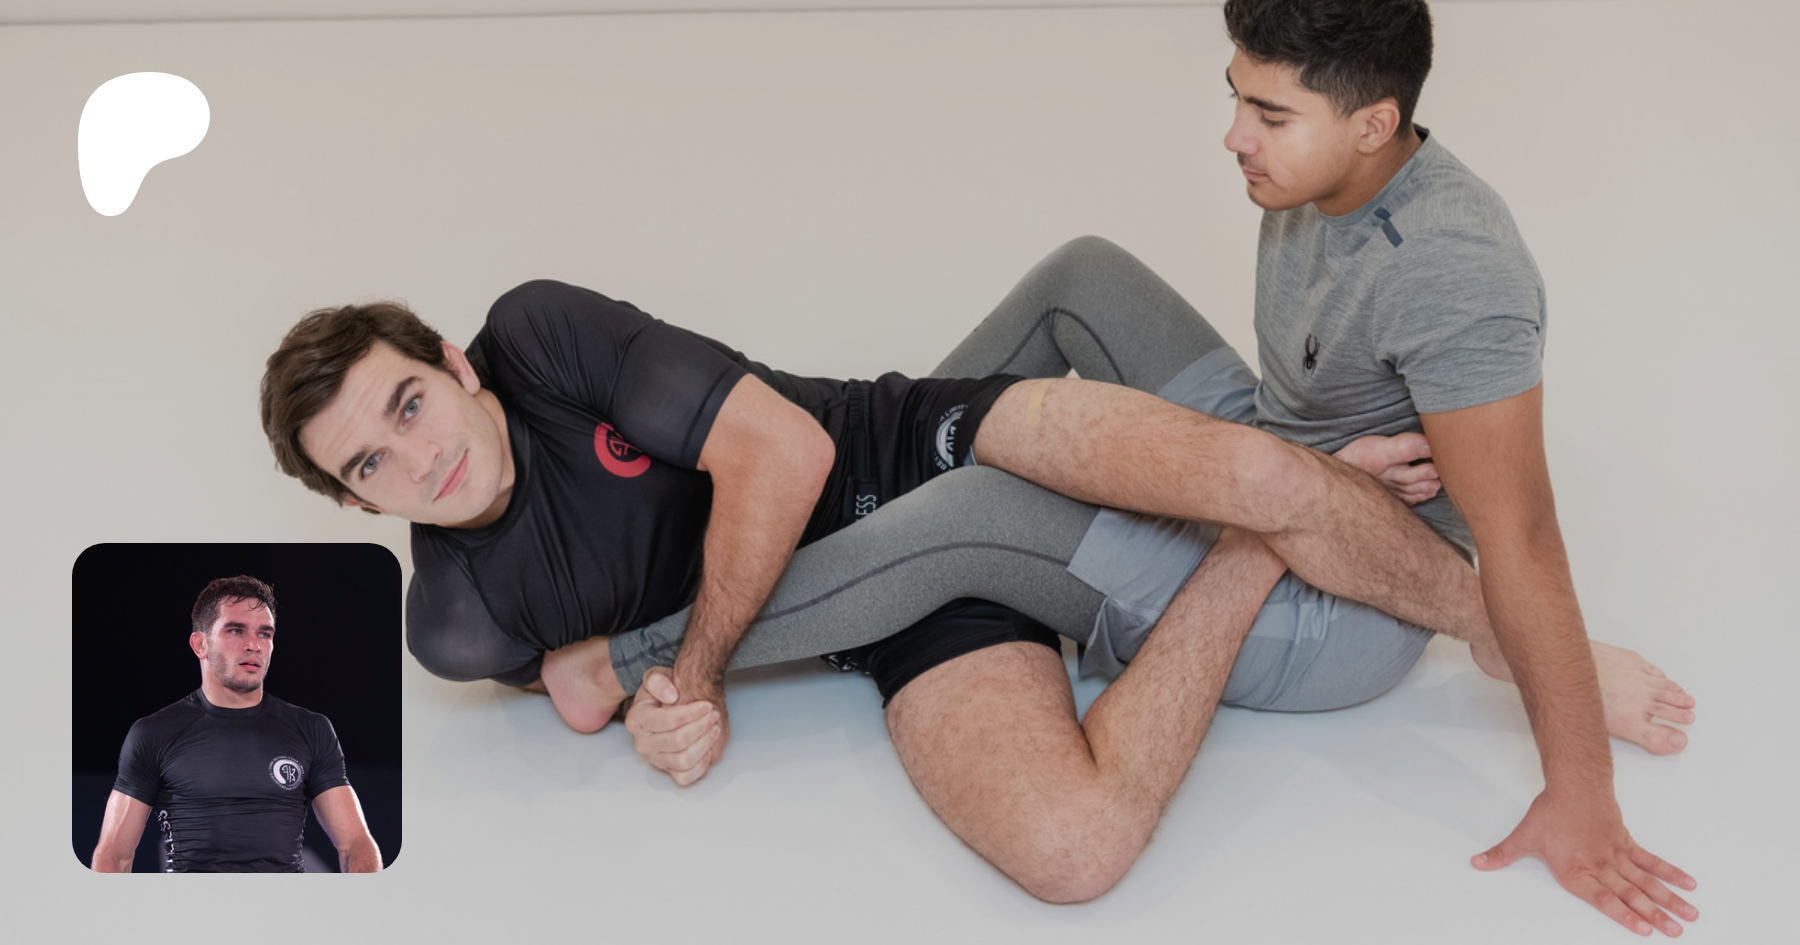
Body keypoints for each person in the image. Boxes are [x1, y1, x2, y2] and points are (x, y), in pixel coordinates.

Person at [623, 0, 1702, 930]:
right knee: (1083, 275)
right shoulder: (1322, 178)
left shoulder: (1454, 273)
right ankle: (859, 506)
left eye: (1269, 115)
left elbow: (1522, 536)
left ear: (1375, 124)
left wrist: (1583, 796)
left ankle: (642, 651)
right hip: (1289, 457)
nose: (1234, 136)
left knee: (983, 506)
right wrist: (1300, 464)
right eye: (1236, 97)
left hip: (1348, 601)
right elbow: (1292, 435)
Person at [90, 576, 382, 873]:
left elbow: (356, 843)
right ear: (200, 644)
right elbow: (115, 855)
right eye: (235, 630)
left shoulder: (311, 729)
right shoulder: (154, 734)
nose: (253, 645)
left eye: (264, 634)